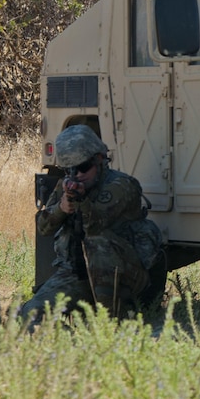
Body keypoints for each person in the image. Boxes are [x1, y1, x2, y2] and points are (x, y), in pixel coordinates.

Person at [19, 125, 164, 326]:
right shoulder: (66, 186)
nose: (77, 174)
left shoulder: (122, 186)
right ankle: (72, 348)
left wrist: (81, 202)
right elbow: (43, 227)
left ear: (99, 160)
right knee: (30, 315)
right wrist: (62, 207)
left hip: (123, 276)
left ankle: (114, 323)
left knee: (96, 243)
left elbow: (95, 225)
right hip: (77, 273)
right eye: (70, 170)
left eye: (83, 167)